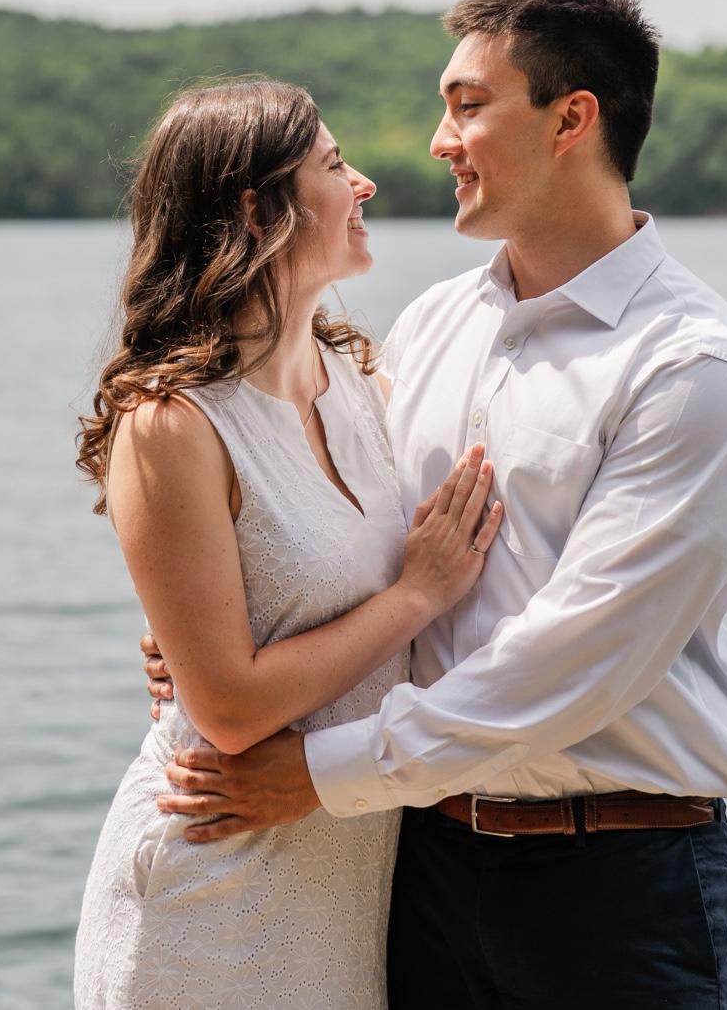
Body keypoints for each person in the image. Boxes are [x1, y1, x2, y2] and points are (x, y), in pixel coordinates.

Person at [144, 0, 727, 1008]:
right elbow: (360, 548)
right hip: (415, 868)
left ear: (570, 117)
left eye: (467, 104)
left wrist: (315, 769)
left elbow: (578, 657)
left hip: (613, 882)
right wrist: (226, 641)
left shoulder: (690, 368)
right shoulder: (429, 326)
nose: (438, 138)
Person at [72, 78, 504, 1009]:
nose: (366, 186)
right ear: (255, 208)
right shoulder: (170, 423)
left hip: (346, 883)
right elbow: (227, 709)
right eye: (335, 165)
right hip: (213, 885)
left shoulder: (363, 380)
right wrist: (415, 598)